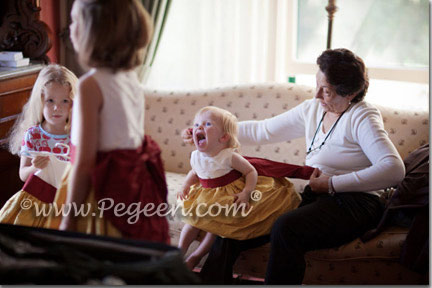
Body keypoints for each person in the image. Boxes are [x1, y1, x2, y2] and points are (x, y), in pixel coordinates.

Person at [182, 48, 406, 284]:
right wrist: (210, 132)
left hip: (356, 202)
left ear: (350, 93)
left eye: (326, 91)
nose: (317, 95)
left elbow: (394, 169)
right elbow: (263, 131)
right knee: (235, 220)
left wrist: (331, 184)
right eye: (317, 85)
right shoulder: (313, 108)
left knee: (285, 227)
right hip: (316, 195)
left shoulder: (362, 116)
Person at [52, 0, 169, 243]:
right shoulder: (131, 80)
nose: (70, 28)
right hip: (132, 185)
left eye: (76, 21)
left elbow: (85, 163)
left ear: (95, 32)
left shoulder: (90, 86)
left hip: (102, 189)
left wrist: (68, 219)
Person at [177, 106, 314, 270]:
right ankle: (178, 253)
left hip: (227, 194)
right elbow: (196, 171)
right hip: (206, 194)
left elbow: (251, 171)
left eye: (207, 124)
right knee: (192, 221)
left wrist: (246, 192)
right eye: (197, 124)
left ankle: (196, 256)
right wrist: (186, 185)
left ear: (223, 137)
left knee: (217, 227)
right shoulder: (196, 155)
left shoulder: (229, 156)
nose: (199, 127)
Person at [0, 64, 77, 227]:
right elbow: (23, 174)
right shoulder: (33, 135)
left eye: (65, 101)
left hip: (69, 200)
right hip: (39, 201)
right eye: (50, 100)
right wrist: (35, 167)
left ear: (74, 103)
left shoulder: (77, 134)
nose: (57, 107)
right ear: (40, 100)